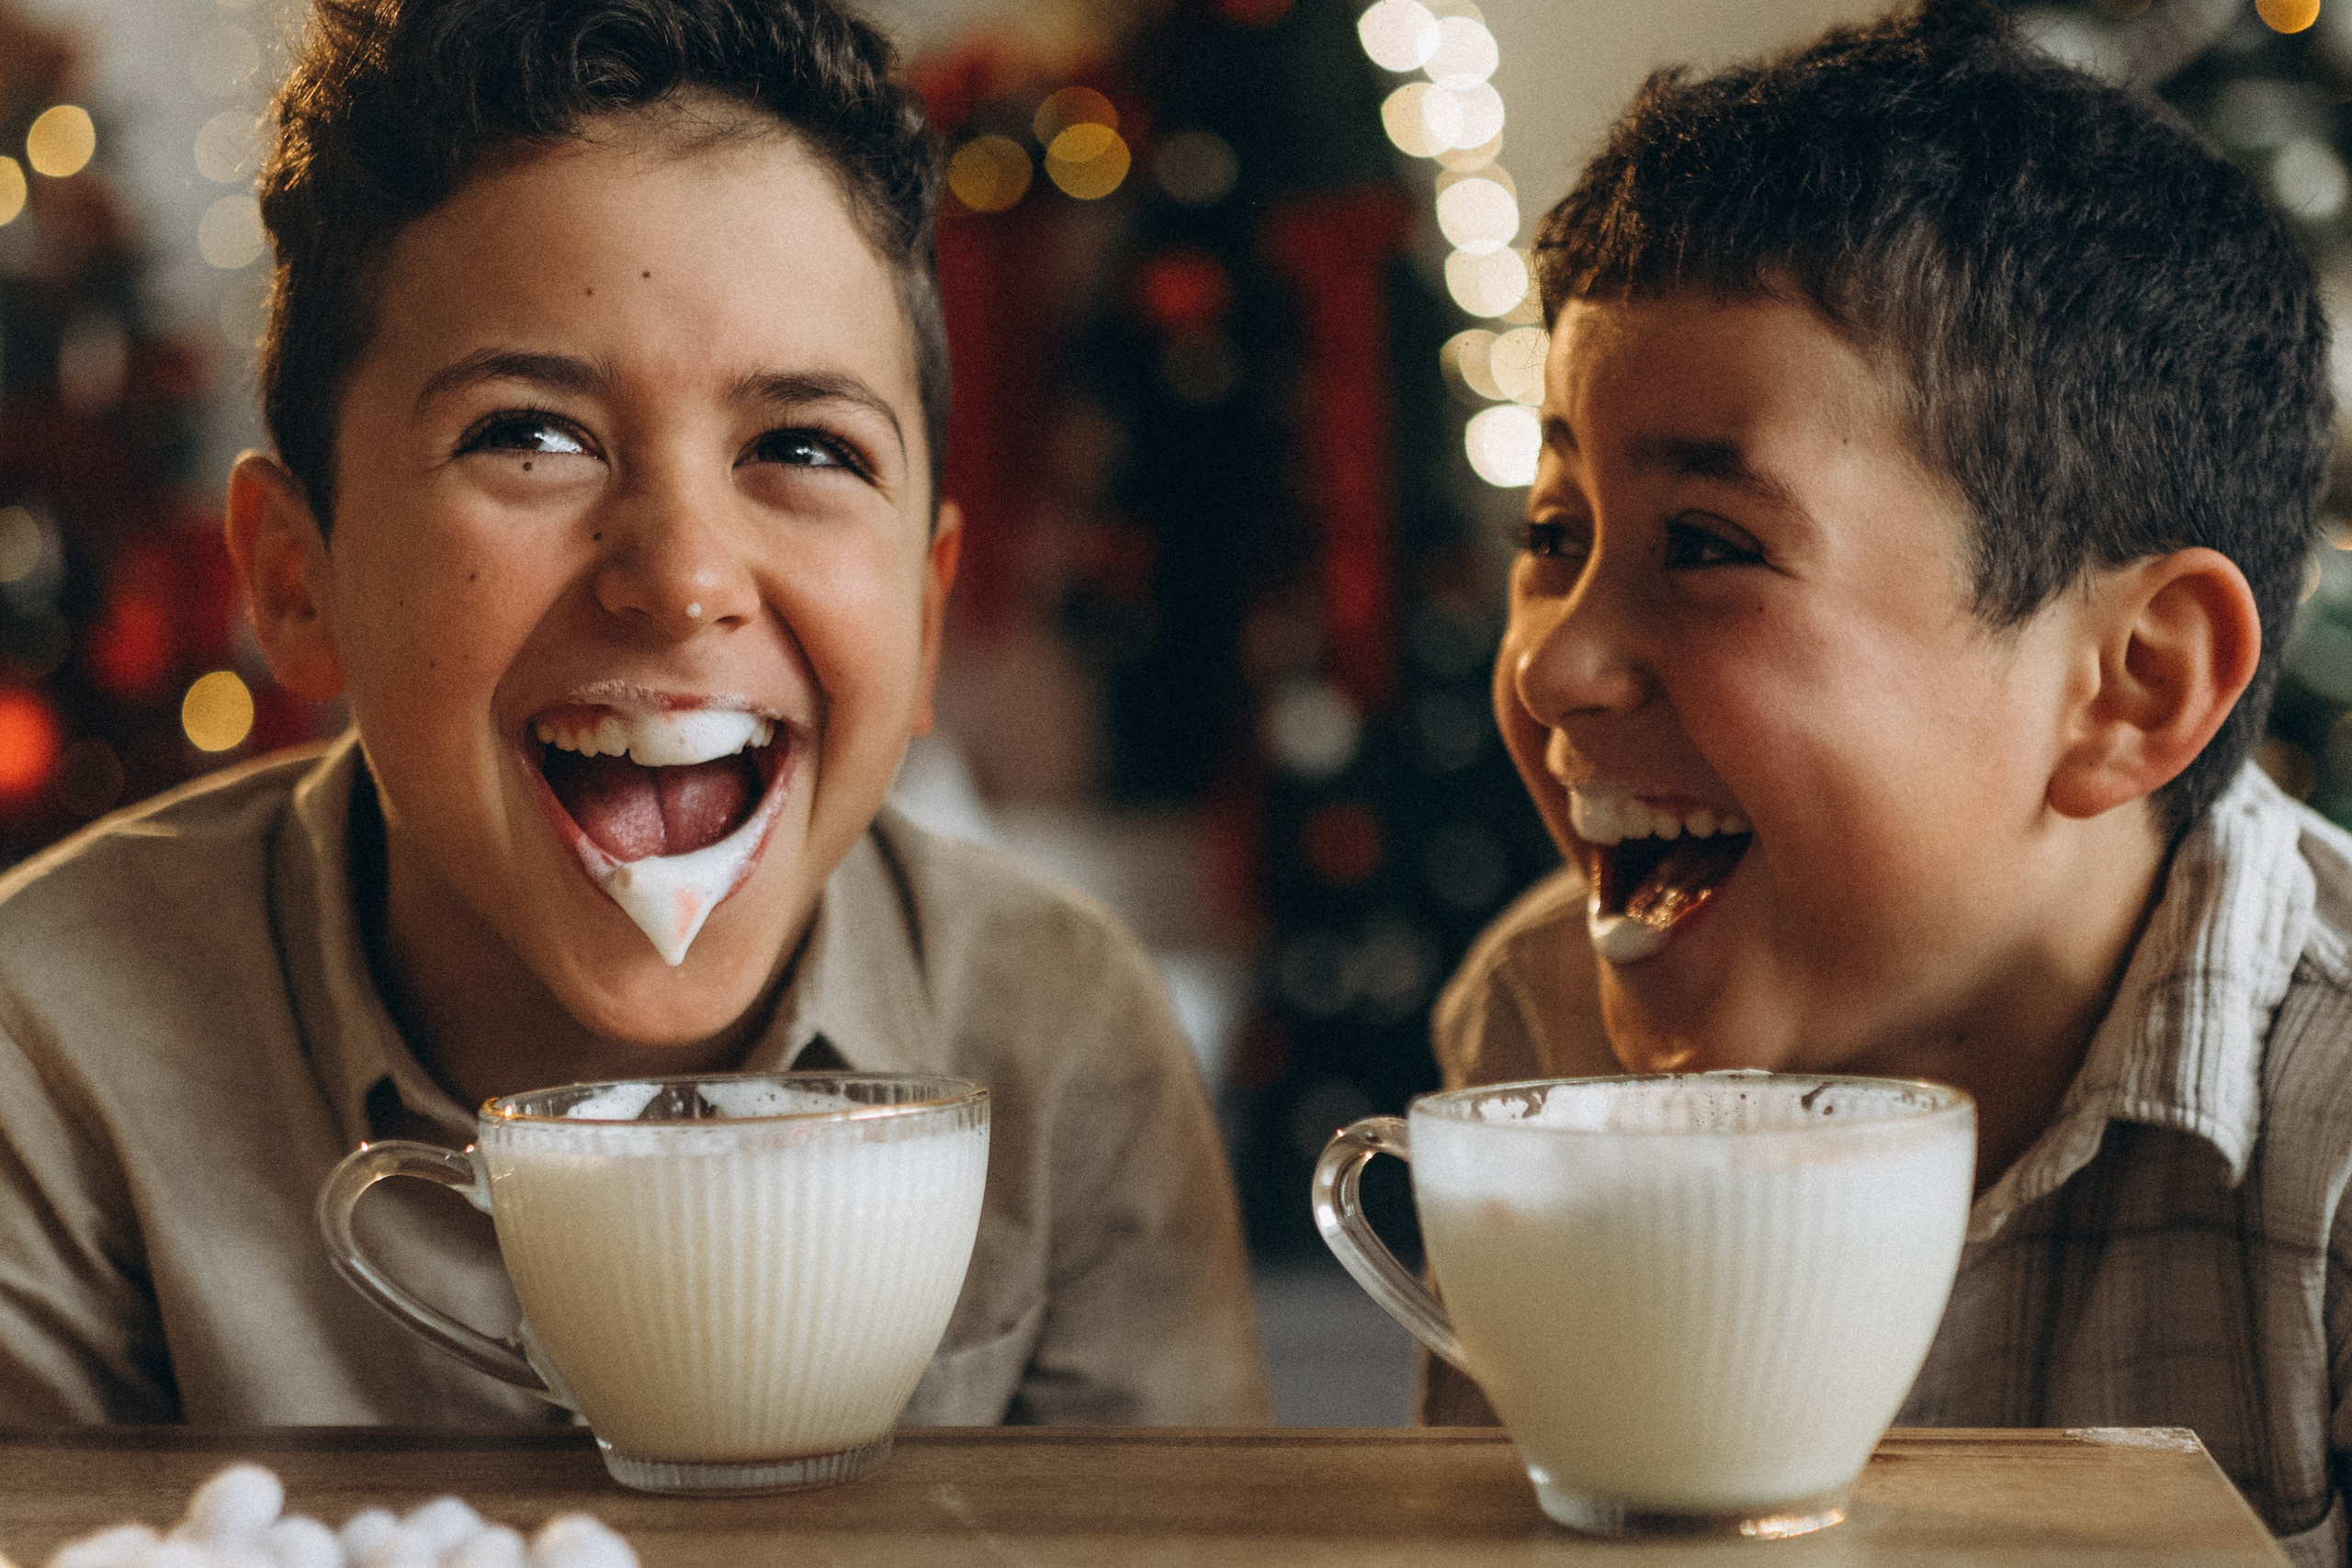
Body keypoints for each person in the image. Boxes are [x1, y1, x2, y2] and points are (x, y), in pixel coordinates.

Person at [0, 0, 1271, 1429]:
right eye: (529, 436)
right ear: (300, 584)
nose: (681, 580)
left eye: (804, 447)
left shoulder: (1064, 1041)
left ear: (922, 620)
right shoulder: (47, 1053)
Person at [1421, 3, 2352, 1562]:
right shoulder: (1535, 1034)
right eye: (1553, 535)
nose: (1553, 664)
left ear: (2133, 684)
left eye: (1707, 546)